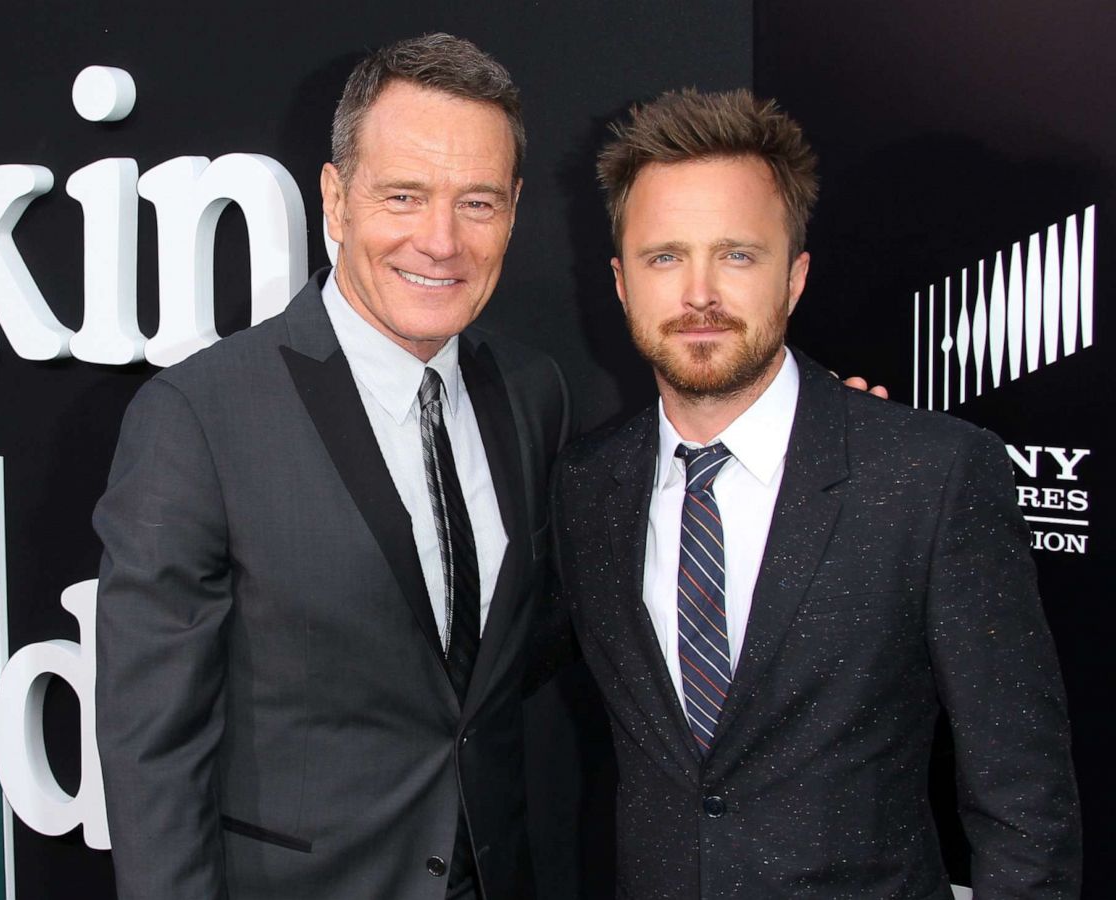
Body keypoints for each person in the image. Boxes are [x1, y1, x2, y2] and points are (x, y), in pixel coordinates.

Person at [550, 88, 1082, 898]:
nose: (698, 293)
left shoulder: (930, 477)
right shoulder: (586, 487)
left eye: (737, 254)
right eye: (665, 257)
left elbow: (1026, 805)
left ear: (795, 276)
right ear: (622, 282)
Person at [94, 33, 570, 900]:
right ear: (336, 199)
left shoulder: (532, 394)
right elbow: (151, 751)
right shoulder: (199, 418)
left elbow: (540, 641)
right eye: (403, 196)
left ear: (513, 210)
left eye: (477, 203)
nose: (441, 241)